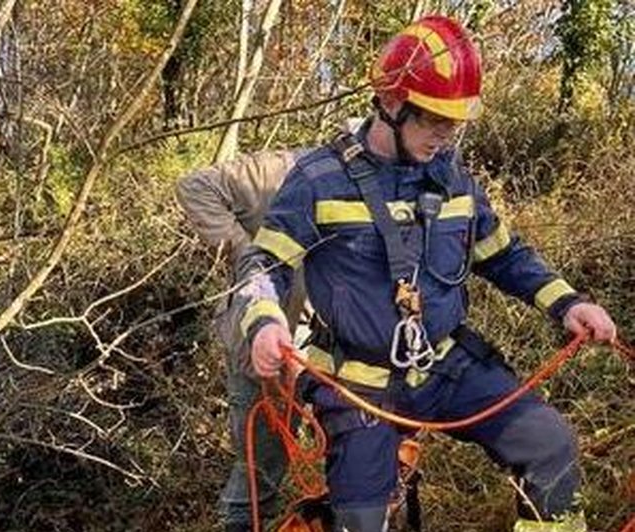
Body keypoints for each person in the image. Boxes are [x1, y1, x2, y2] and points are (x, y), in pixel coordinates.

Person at [231, 15, 616, 532]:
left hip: (446, 364)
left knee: (551, 449)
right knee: (360, 522)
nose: (446, 134)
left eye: (454, 121)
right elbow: (263, 264)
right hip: (359, 385)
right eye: (434, 119)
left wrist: (569, 303)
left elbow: (503, 254)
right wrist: (265, 323)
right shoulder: (319, 180)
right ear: (391, 104)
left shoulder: (452, 176)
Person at [176, 149, 308, 531]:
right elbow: (196, 186)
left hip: (326, 351)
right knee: (260, 471)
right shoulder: (283, 172)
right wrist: (246, 254)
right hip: (262, 343)